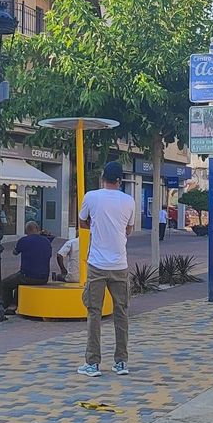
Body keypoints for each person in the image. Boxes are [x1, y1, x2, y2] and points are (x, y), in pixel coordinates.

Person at [77, 161, 136, 378]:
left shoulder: (91, 197)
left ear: (102, 177)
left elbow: (82, 222)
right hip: (120, 264)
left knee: (94, 313)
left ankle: (92, 363)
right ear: (120, 180)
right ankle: (121, 362)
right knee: (122, 313)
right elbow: (128, 229)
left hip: (97, 264)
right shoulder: (129, 201)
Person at [0, 221, 51, 314]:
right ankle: (13, 305)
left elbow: (15, 252)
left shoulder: (23, 240)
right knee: (17, 282)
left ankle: (6, 307)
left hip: (28, 275)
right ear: (37, 229)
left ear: (26, 230)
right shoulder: (46, 241)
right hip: (44, 277)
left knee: (5, 283)